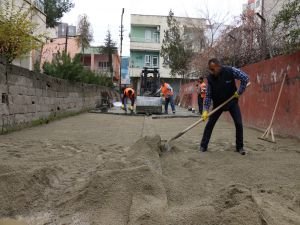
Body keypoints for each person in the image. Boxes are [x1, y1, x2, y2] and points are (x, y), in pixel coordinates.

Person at [200, 58, 249, 155]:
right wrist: (205, 110)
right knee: (210, 124)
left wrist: (239, 92)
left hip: (232, 102)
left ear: (218, 66)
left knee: (239, 123)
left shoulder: (230, 71)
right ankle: (203, 145)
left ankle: (240, 147)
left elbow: (245, 78)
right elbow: (209, 95)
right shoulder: (210, 79)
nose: (212, 72)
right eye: (210, 70)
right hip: (218, 104)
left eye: (213, 69)